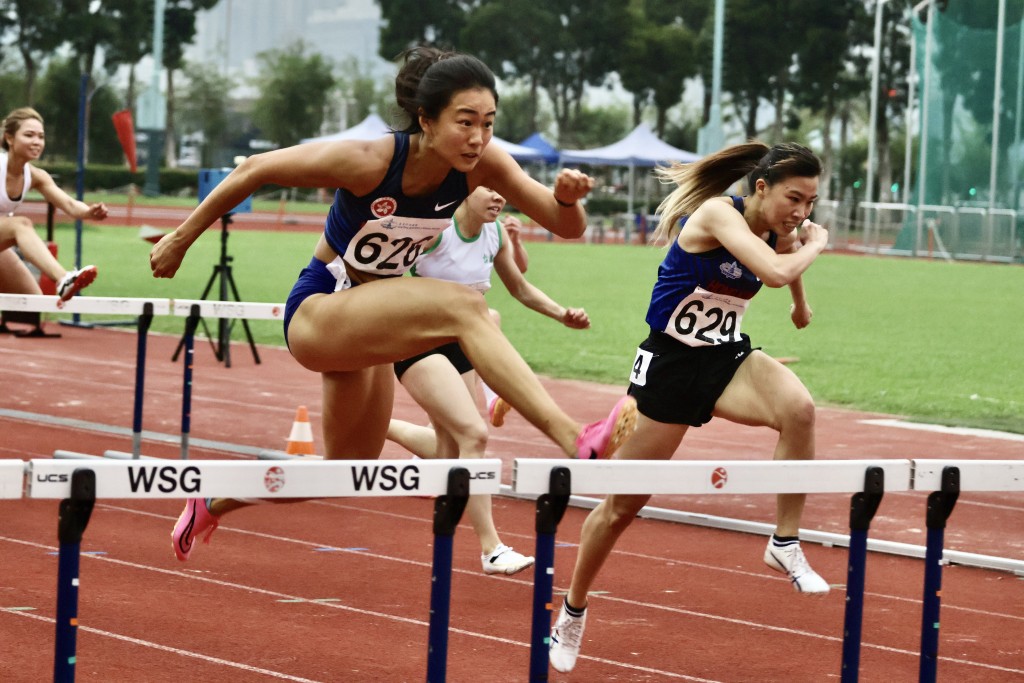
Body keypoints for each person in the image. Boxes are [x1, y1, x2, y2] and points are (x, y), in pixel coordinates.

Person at [151, 46, 637, 562]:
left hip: (370, 326)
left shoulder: (484, 164)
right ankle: (573, 436)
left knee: (347, 471)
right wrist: (180, 239)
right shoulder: (370, 160)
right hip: (320, 311)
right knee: (466, 305)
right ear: (426, 120)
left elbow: (564, 225)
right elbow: (254, 169)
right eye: (465, 122)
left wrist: (567, 199)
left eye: (489, 123)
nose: (478, 137)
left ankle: (212, 501)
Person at [549, 141, 831, 673]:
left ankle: (785, 541)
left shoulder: (780, 229)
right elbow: (776, 270)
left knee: (799, 409)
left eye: (811, 202)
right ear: (762, 187)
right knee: (620, 509)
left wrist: (801, 303)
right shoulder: (718, 214)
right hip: (670, 367)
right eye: (794, 198)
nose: (802, 212)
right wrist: (816, 244)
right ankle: (572, 611)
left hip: (725, 358)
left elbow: (787, 258)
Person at [387, 185, 591, 576]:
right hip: (418, 344)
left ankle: (378, 424)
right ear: (465, 192)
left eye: (502, 192)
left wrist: (561, 314)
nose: (499, 198)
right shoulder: (437, 230)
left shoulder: (494, 233)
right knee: (473, 436)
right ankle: (492, 549)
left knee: (450, 449)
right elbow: (387, 273)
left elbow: (520, 288)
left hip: (464, 344)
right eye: (490, 190)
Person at [0, 107, 105, 300]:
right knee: (21, 225)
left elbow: (70, 204)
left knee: (31, 298)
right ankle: (63, 279)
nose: (36, 142)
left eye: (41, 137)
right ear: (9, 138)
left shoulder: (36, 176)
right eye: (29, 135)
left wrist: (89, 212)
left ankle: (64, 282)